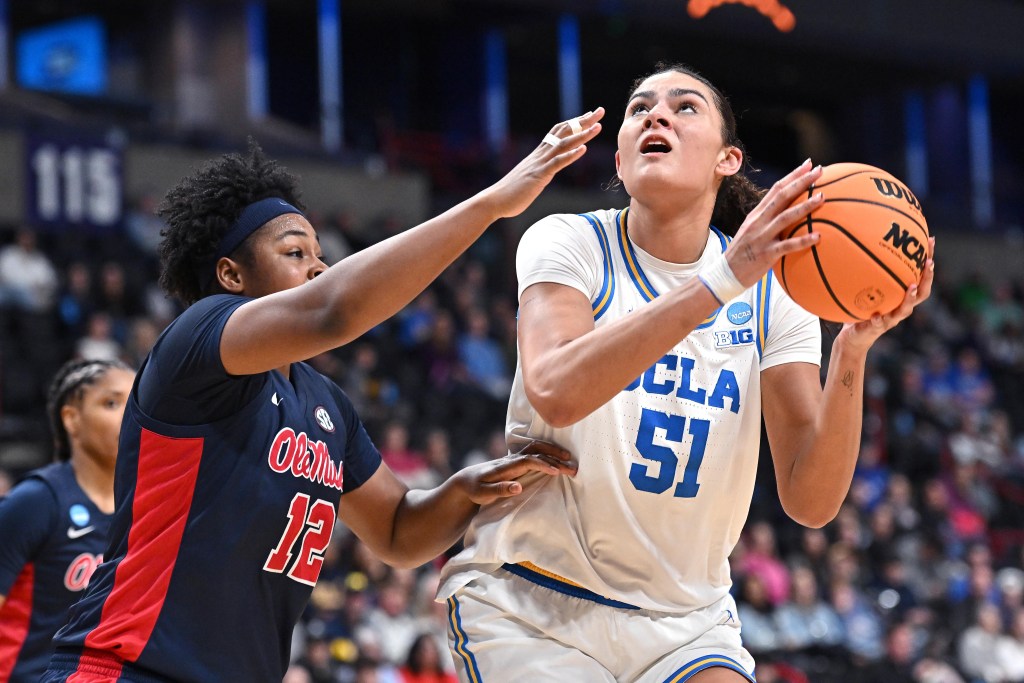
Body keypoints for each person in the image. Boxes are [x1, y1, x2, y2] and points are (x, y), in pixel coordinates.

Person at [41, 113, 602, 683]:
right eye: (294, 253)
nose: (318, 267)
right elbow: (336, 310)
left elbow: (397, 532)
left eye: (320, 256)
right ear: (232, 275)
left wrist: (466, 489)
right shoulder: (196, 340)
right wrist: (491, 204)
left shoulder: (325, 404)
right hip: (127, 667)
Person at [438, 62, 935, 682]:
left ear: (729, 159)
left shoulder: (775, 296)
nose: (657, 115)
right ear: (620, 161)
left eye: (684, 107)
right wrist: (722, 280)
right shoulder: (568, 242)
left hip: (686, 622)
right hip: (533, 600)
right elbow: (557, 392)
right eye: (640, 108)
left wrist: (852, 352)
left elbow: (811, 502)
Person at [0, 358, 135, 681]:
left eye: (136, 404)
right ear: (72, 419)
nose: (129, 416)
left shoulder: (143, 508)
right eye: (111, 403)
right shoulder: (36, 500)